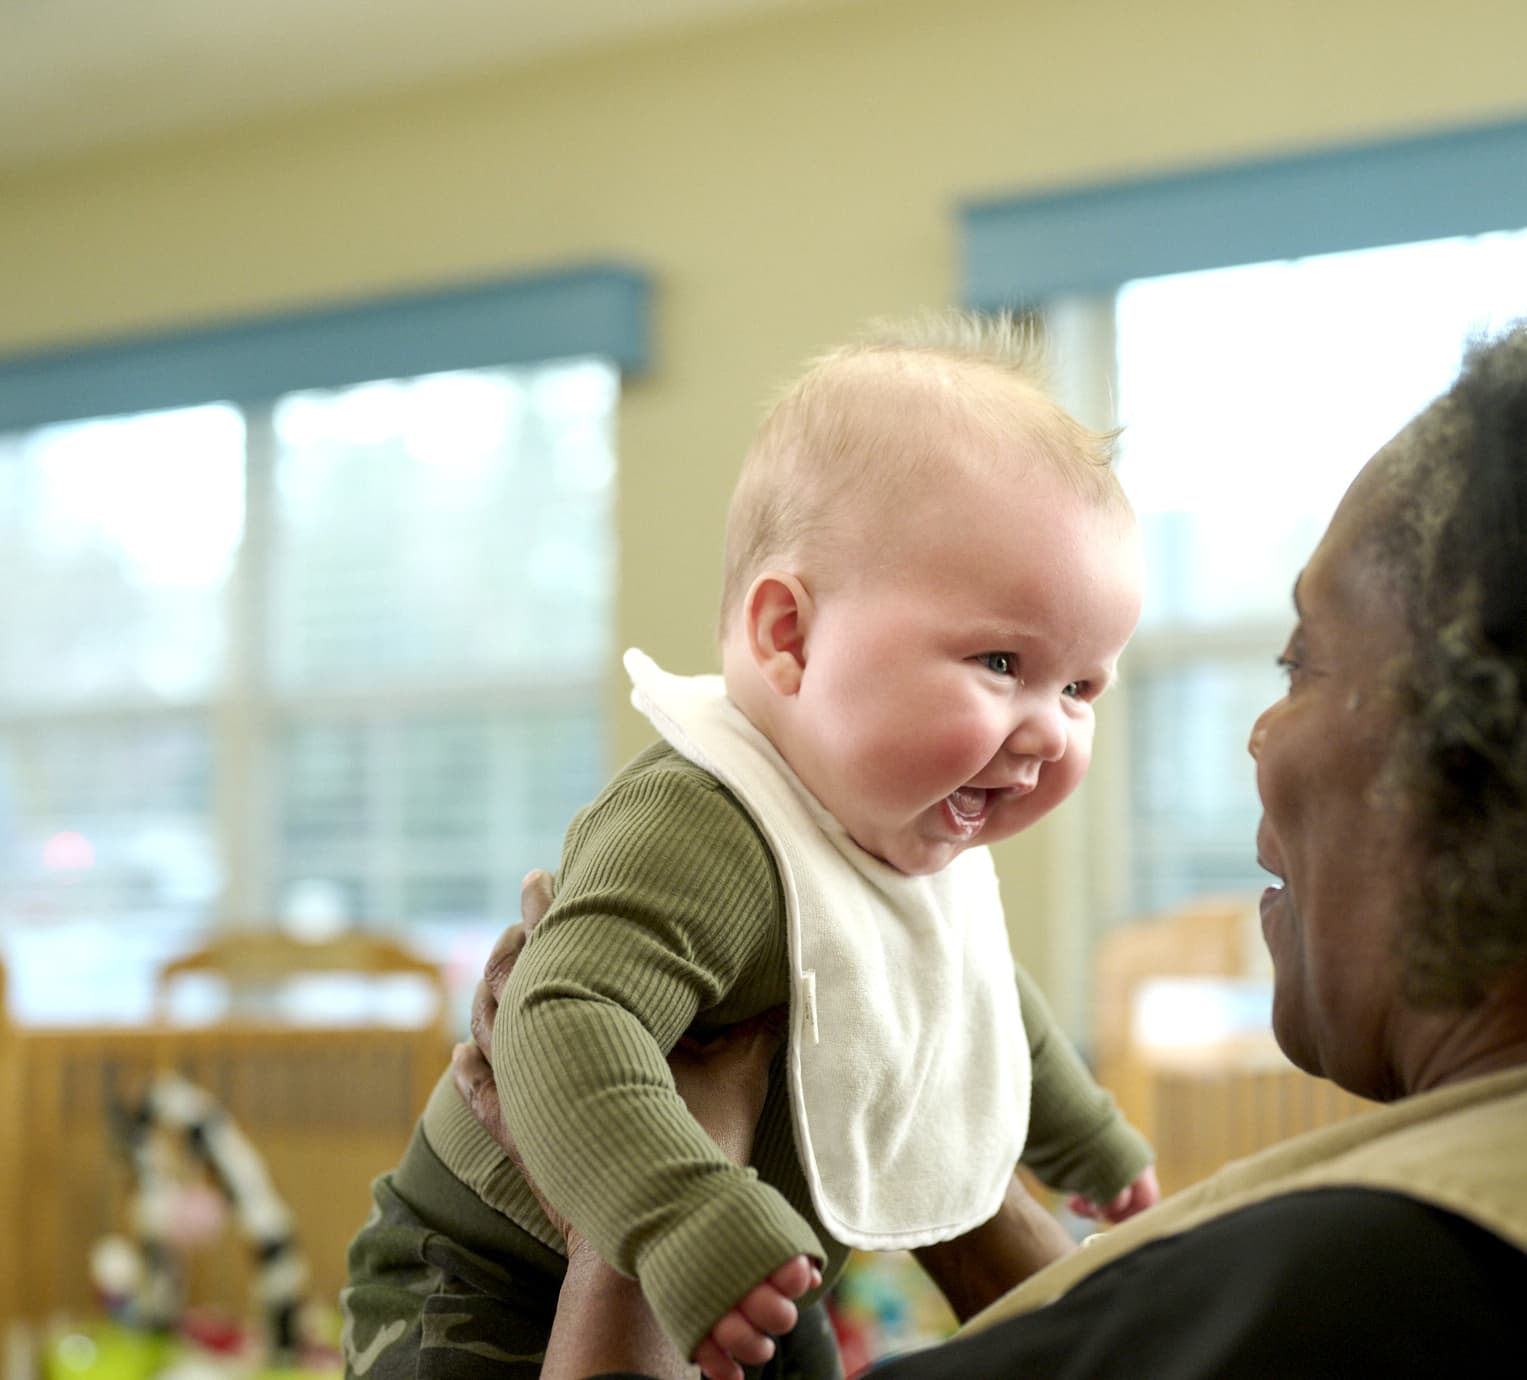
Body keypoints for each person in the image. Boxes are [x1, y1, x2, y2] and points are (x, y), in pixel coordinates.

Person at [462, 306, 1527, 1379]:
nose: (1260, 738)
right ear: (787, 635)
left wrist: (621, 1243)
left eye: (1304, 662)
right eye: (1002, 663)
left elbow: (986, 1016)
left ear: (1498, 765)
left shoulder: (1382, 1298)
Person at [341, 315, 1159, 1380]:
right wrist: (680, 1212)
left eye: (1081, 686)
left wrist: (1081, 1138)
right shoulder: (706, 821)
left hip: (748, 1246)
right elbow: (559, 1019)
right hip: (494, 1278)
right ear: (790, 637)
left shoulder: (909, 829)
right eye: (1001, 661)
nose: (1049, 728)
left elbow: (972, 992)